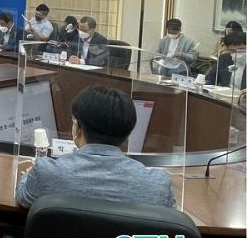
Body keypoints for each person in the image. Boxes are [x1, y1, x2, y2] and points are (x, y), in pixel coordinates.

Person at [16, 85, 175, 209]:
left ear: (77, 127)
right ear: (127, 134)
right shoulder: (158, 185)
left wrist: (30, 174)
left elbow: (23, 197)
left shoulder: (46, 172)